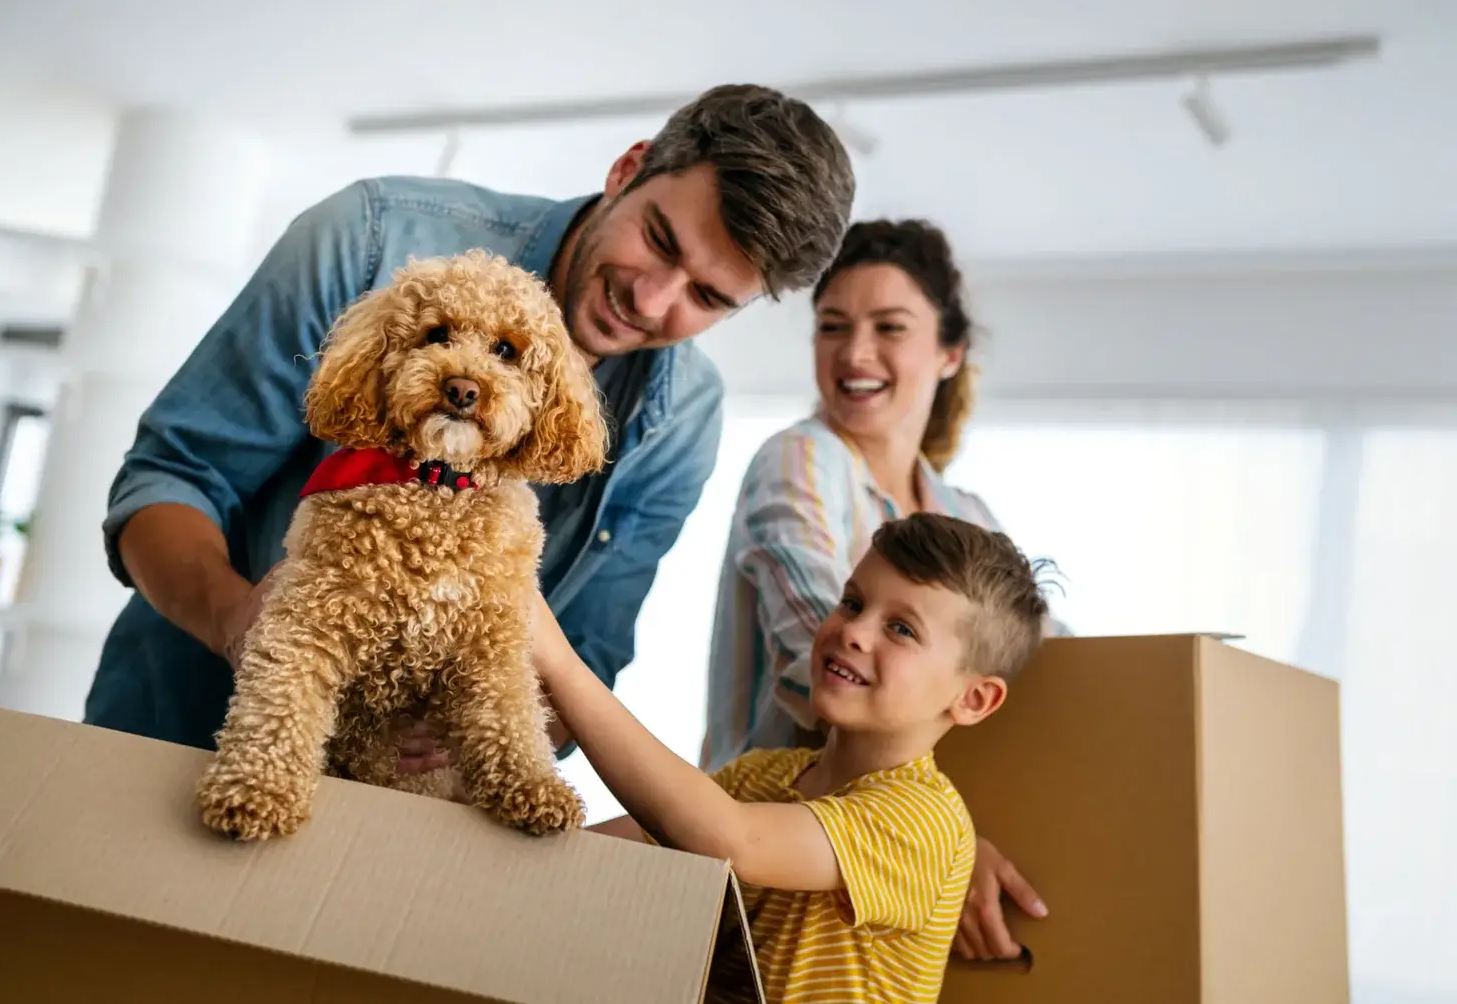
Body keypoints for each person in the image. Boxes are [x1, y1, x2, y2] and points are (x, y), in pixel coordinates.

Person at [82, 84, 856, 765]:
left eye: (709, 299)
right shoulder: (368, 240)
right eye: (658, 239)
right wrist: (238, 620)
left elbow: (588, 651)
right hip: (175, 737)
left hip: (396, 824)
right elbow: (171, 478)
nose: (652, 301)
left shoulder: (686, 418)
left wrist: (481, 727)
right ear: (628, 168)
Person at [700, 218, 1060, 961]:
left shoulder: (969, 517)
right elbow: (818, 656)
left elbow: (1053, 674)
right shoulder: (801, 459)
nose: (855, 353)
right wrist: (941, 841)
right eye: (832, 326)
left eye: (888, 327)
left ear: (949, 352)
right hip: (761, 849)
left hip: (879, 882)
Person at [531, 512, 1052, 1004]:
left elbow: (733, 840)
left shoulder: (924, 819)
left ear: (973, 699)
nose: (854, 630)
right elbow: (593, 853)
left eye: (902, 629)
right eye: (852, 602)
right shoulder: (761, 776)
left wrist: (557, 660)